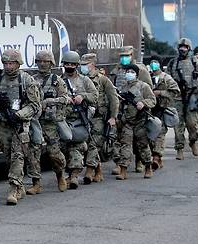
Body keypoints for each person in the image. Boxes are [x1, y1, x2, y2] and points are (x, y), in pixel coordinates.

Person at [0, 49, 41, 204]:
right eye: (6, 63)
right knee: (7, 156)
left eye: (11, 63)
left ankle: (13, 188)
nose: (8, 66)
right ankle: (19, 186)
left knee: (18, 155)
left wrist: (18, 115)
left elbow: (34, 105)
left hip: (20, 124)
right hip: (3, 124)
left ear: (18, 63)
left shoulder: (26, 80)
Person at [26, 50, 70, 193]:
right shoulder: (31, 80)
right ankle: (36, 183)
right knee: (34, 152)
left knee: (54, 153)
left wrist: (50, 101)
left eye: (45, 62)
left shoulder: (57, 81)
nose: (42, 64)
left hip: (50, 123)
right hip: (35, 122)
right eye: (40, 61)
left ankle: (60, 176)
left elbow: (65, 99)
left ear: (51, 63)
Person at [60, 51, 97, 189]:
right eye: (66, 64)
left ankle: (74, 175)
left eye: (72, 64)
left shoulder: (85, 80)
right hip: (63, 120)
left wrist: (83, 96)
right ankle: (68, 174)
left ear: (76, 65)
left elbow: (94, 96)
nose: (69, 66)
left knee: (77, 146)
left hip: (79, 119)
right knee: (63, 148)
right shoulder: (58, 80)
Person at [112, 64, 157, 180]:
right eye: (127, 71)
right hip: (127, 122)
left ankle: (148, 167)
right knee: (125, 146)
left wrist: (144, 103)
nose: (129, 74)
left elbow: (153, 100)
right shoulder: (124, 87)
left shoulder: (143, 86)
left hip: (140, 122)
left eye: (131, 71)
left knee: (143, 146)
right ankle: (123, 170)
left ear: (136, 74)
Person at [166, 38, 198, 159]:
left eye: (185, 47)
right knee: (178, 125)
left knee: (193, 124)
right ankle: (180, 149)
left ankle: (193, 142)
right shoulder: (173, 63)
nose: (182, 49)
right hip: (177, 98)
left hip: (191, 97)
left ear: (189, 49)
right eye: (181, 47)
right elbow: (167, 80)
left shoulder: (195, 62)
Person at [81, 53, 118, 183]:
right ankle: (98, 170)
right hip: (83, 116)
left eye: (85, 65)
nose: (82, 67)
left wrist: (113, 117)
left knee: (94, 144)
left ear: (92, 65)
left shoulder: (103, 80)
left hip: (98, 118)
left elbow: (113, 98)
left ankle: (89, 170)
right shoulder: (80, 79)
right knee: (84, 144)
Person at [148, 56, 180, 170]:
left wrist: (161, 93)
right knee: (150, 134)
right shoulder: (148, 77)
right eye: (151, 63)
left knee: (160, 134)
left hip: (162, 109)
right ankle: (156, 156)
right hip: (150, 111)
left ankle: (156, 157)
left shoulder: (166, 78)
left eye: (155, 62)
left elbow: (176, 91)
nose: (153, 65)